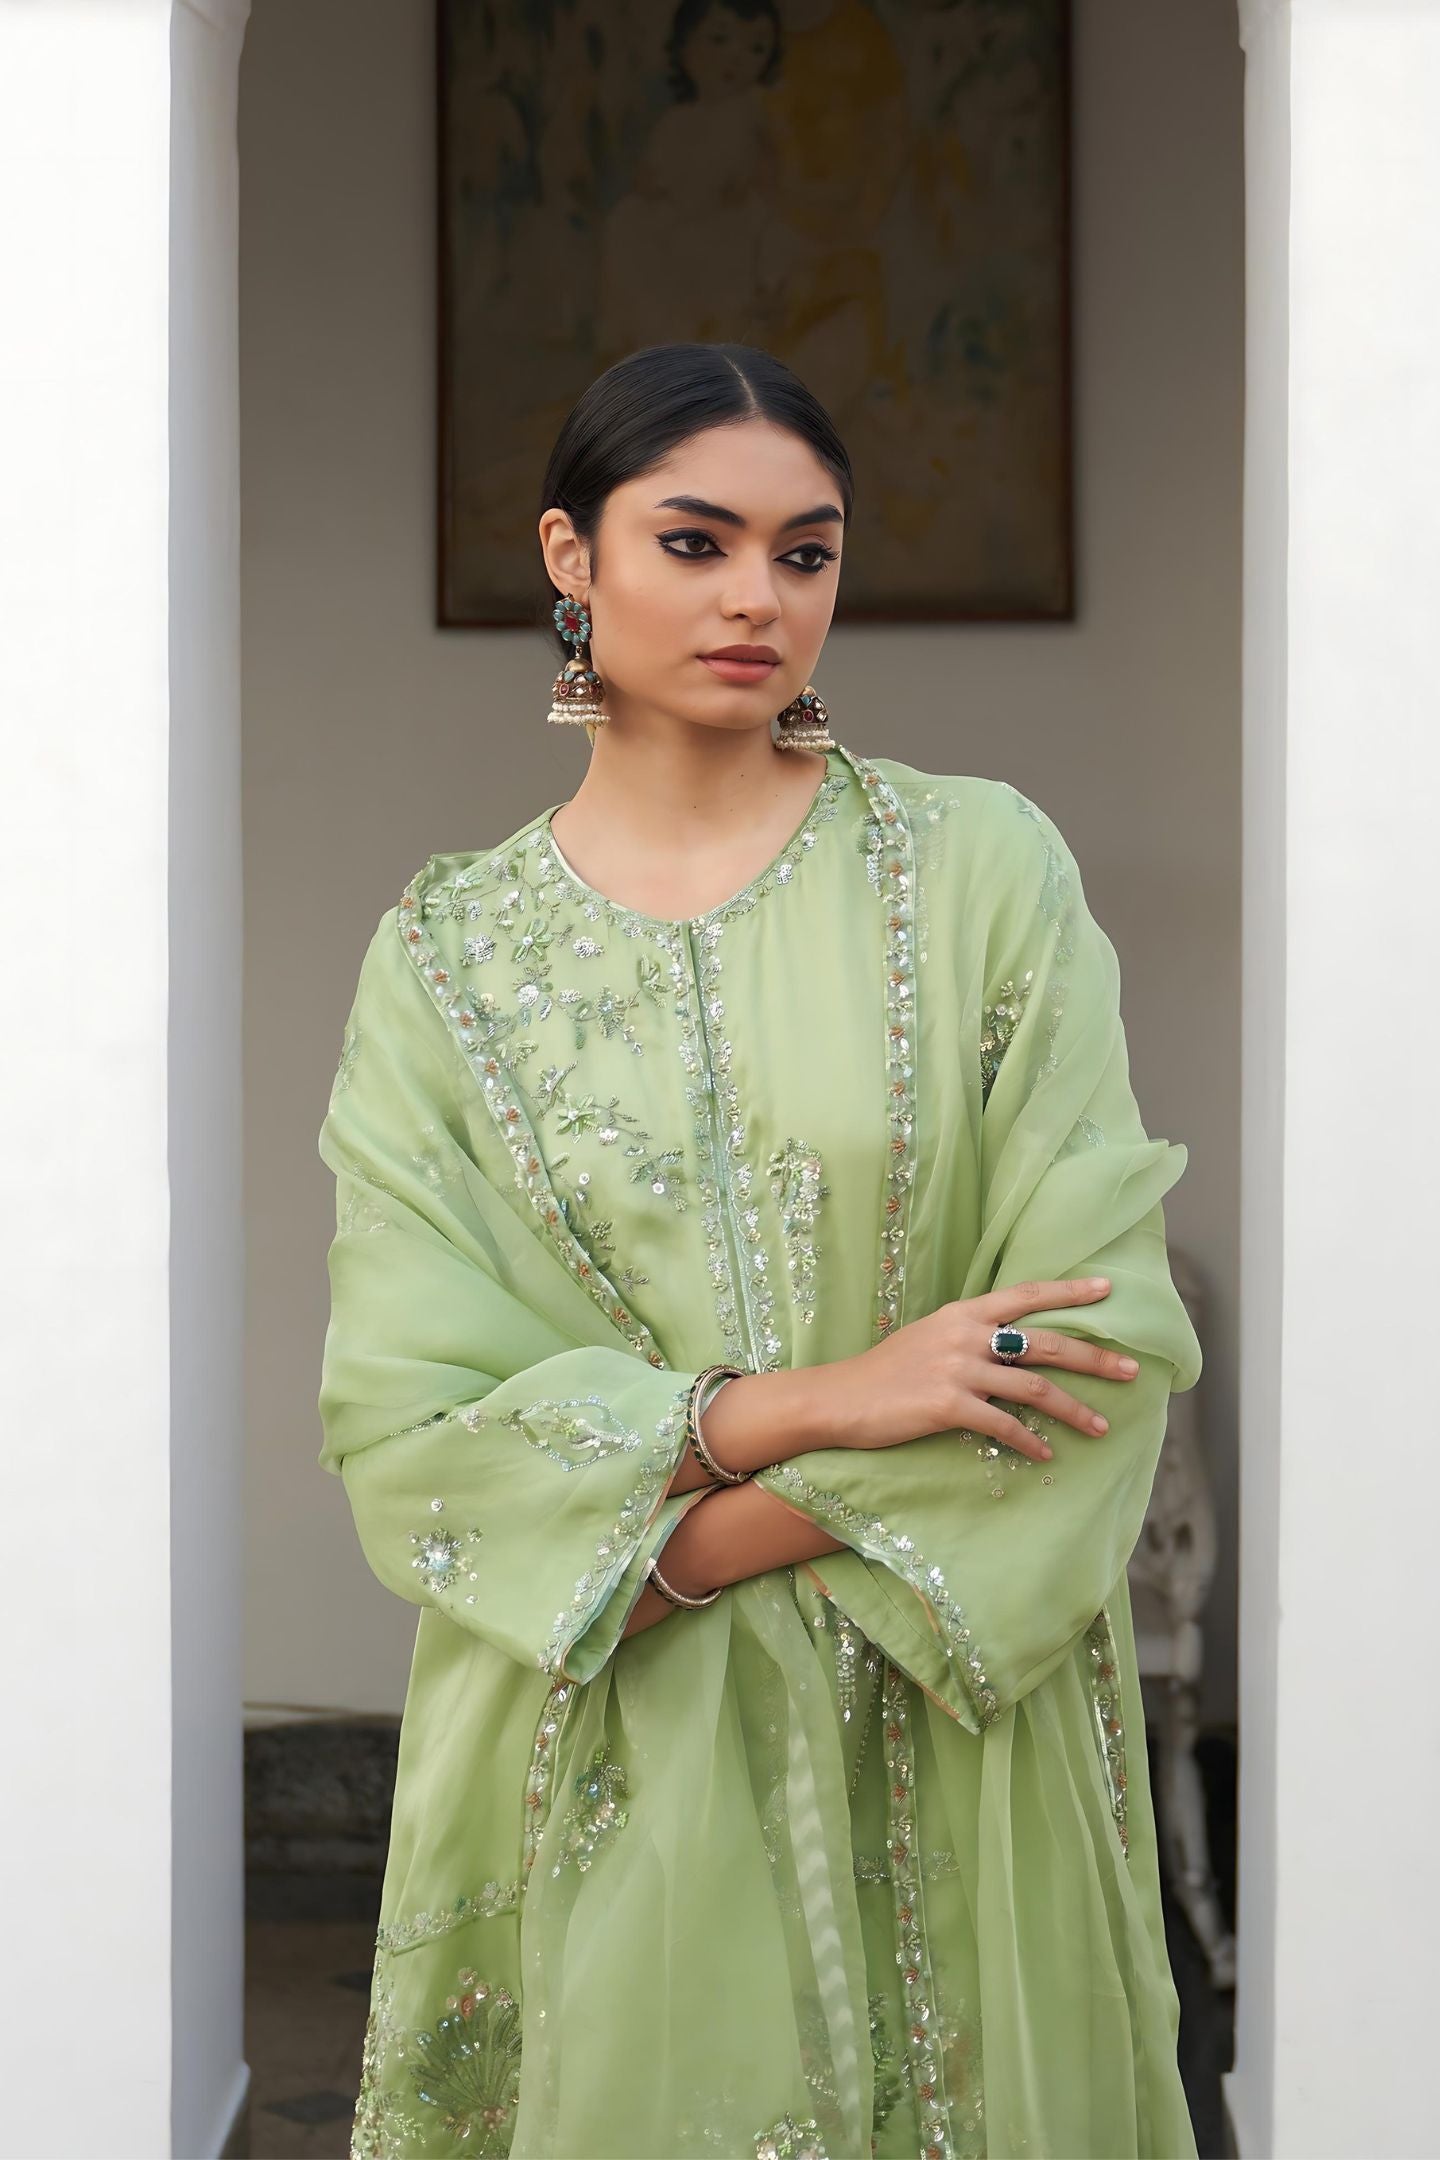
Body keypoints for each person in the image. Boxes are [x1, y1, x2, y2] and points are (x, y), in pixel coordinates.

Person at [317, 341, 1204, 2160]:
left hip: (954, 1737)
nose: (758, 598)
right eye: (696, 541)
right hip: (608, 1756)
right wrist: (822, 1404)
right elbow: (416, 1436)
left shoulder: (978, 875)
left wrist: (672, 1547)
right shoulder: (445, 959)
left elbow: (1093, 1336)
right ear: (570, 555)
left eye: (807, 553)